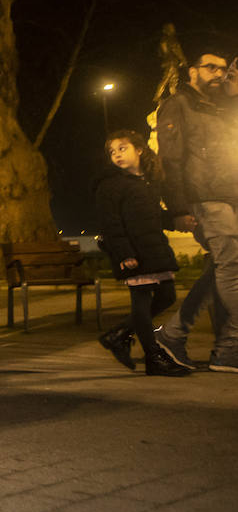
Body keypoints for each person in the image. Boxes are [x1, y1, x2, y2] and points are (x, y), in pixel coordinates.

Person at [154, 47, 238, 372]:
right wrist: (177, 207)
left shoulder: (218, 108)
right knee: (231, 265)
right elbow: (169, 161)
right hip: (205, 198)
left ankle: (173, 336)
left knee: (221, 268)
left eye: (223, 69)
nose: (218, 74)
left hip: (228, 196)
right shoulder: (178, 104)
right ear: (193, 71)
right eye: (210, 68)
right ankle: (230, 350)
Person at [93, 130, 188, 376]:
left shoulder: (147, 181)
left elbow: (151, 215)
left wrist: (176, 220)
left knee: (167, 296)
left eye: (122, 148)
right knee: (142, 302)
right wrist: (125, 253)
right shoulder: (110, 185)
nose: (117, 154)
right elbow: (110, 224)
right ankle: (153, 358)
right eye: (112, 151)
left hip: (153, 246)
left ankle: (120, 334)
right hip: (133, 252)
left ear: (140, 150)